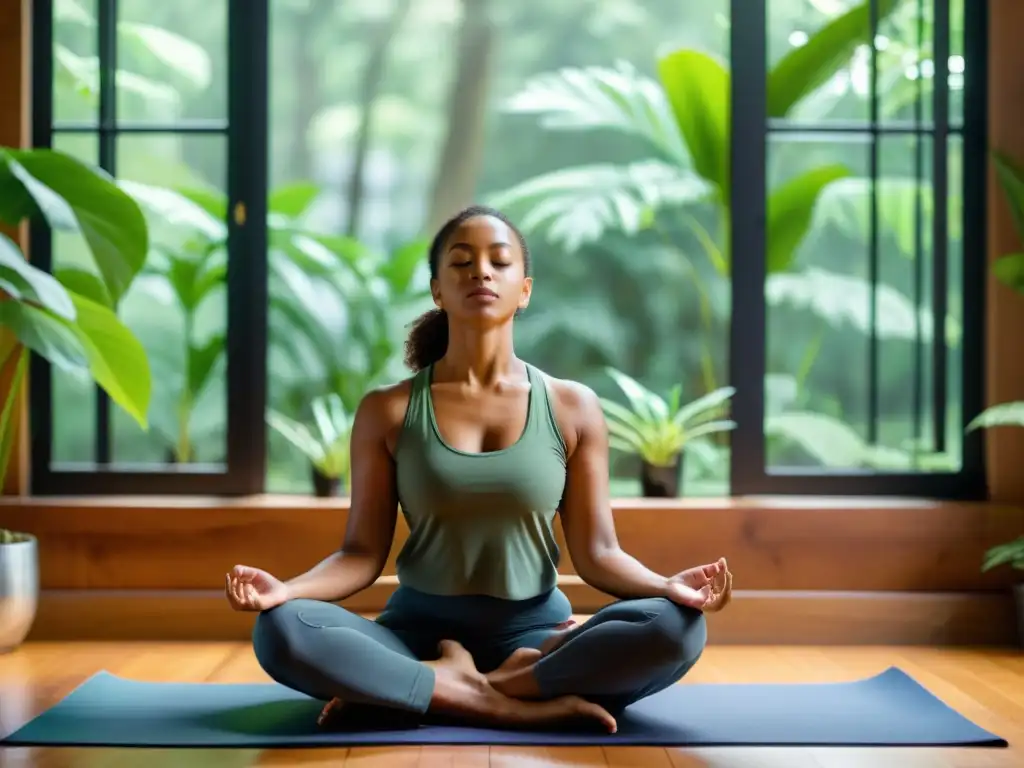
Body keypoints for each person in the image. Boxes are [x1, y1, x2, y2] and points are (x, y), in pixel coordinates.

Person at [225, 205, 733, 735]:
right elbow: (360, 555)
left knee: (676, 629)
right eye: (461, 262)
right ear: (438, 291)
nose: (481, 272)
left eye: (499, 261)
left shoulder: (571, 407)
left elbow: (599, 555)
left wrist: (666, 585)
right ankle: (505, 702)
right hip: (413, 637)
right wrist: (286, 591)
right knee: (282, 630)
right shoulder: (388, 410)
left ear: (525, 289)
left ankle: (420, 690)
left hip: (538, 641)